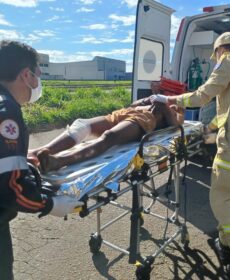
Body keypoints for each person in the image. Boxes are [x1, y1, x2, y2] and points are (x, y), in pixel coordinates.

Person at [150, 32, 230, 279]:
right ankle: (225, 241)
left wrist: (166, 98)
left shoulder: (227, 61)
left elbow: (202, 96)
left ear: (219, 50)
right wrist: (209, 130)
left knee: (219, 198)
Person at [0, 40, 84, 280]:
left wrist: (18, 159)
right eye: (38, 75)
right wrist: (48, 204)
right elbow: (10, 186)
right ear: (25, 75)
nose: (38, 83)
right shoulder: (7, 112)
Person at [28, 92, 185, 173]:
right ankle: (39, 152)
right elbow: (132, 104)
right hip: (123, 113)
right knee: (82, 124)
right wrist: (146, 100)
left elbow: (174, 125)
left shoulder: (176, 108)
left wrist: (164, 106)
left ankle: (59, 162)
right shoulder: (155, 99)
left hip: (143, 121)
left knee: (109, 137)